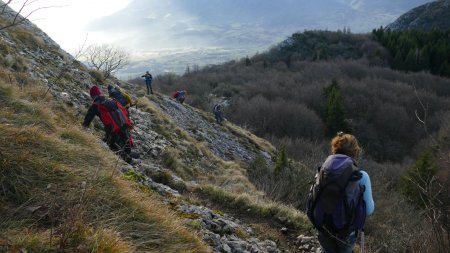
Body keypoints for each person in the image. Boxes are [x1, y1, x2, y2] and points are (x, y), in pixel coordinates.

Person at [309, 132, 374, 253]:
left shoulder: (322, 171)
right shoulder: (361, 176)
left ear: (335, 148)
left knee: (326, 249)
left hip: (322, 225)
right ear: (355, 152)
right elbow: (369, 209)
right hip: (346, 230)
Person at [83, 86, 134, 164]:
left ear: (92, 96)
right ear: (100, 93)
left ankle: (127, 160)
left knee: (111, 144)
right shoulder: (110, 100)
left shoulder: (95, 105)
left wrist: (83, 128)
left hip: (112, 128)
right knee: (125, 138)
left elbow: (87, 121)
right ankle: (129, 154)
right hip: (123, 124)